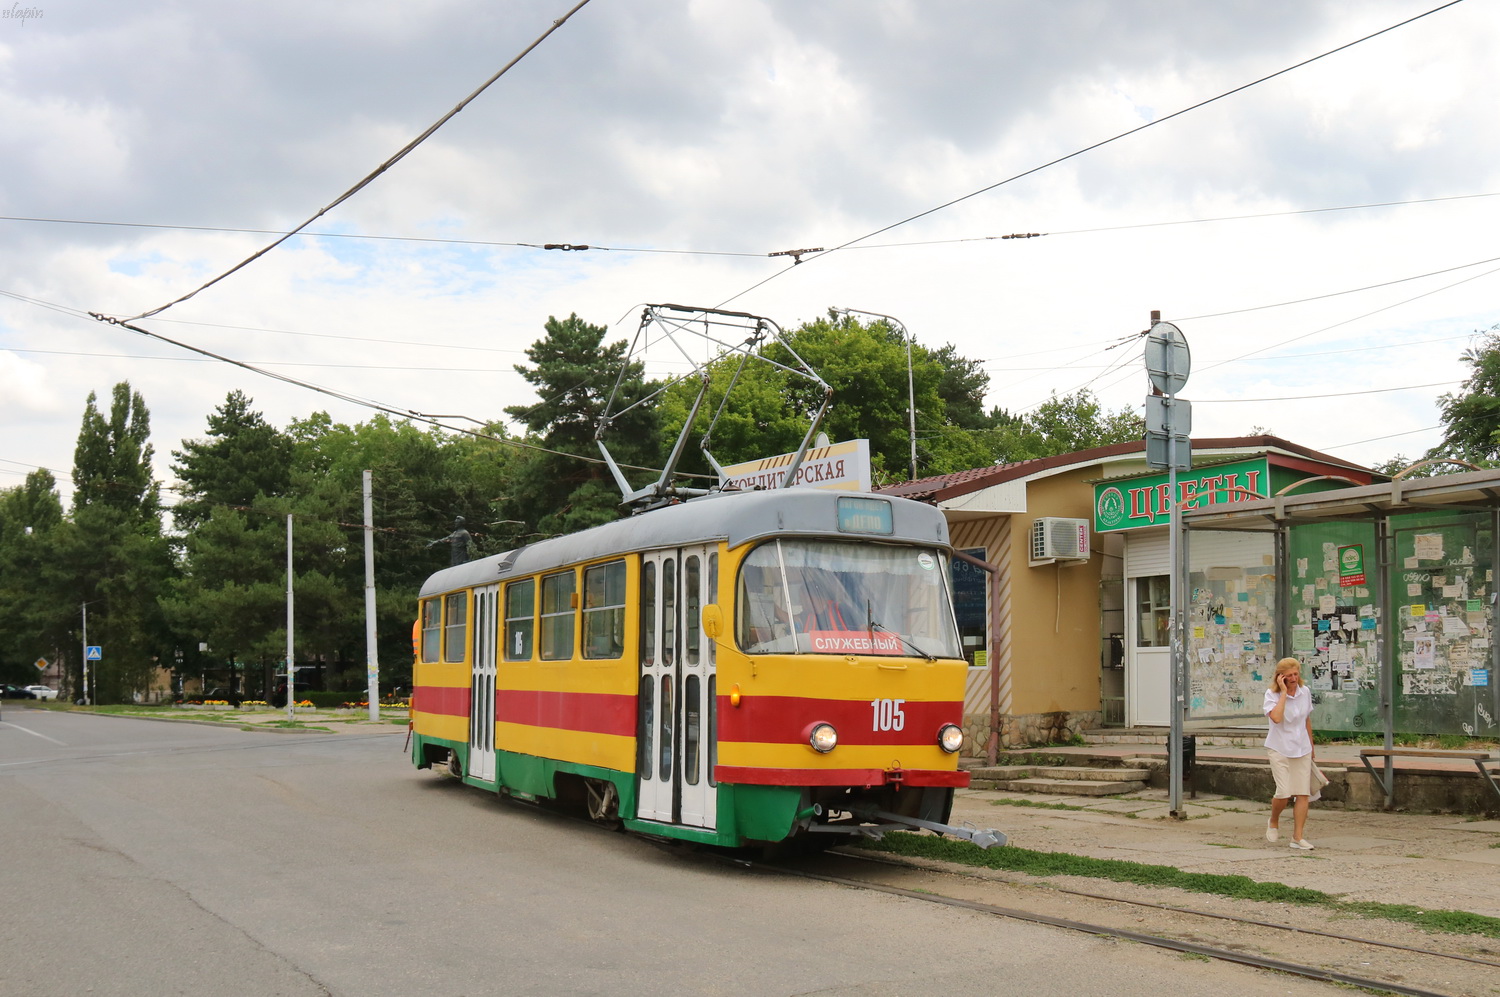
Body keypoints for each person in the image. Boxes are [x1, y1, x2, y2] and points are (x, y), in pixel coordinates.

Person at [1264, 656, 1317, 849]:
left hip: (1301, 747)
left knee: (1303, 794)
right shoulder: (1272, 694)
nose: (1294, 678)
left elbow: (1307, 720)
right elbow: (1276, 718)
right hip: (1279, 747)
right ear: (1280, 677)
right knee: (1284, 792)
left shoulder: (1305, 692)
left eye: (1296, 674)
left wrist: (1311, 747)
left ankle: (1297, 837)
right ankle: (1274, 820)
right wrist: (1284, 693)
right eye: (1289, 676)